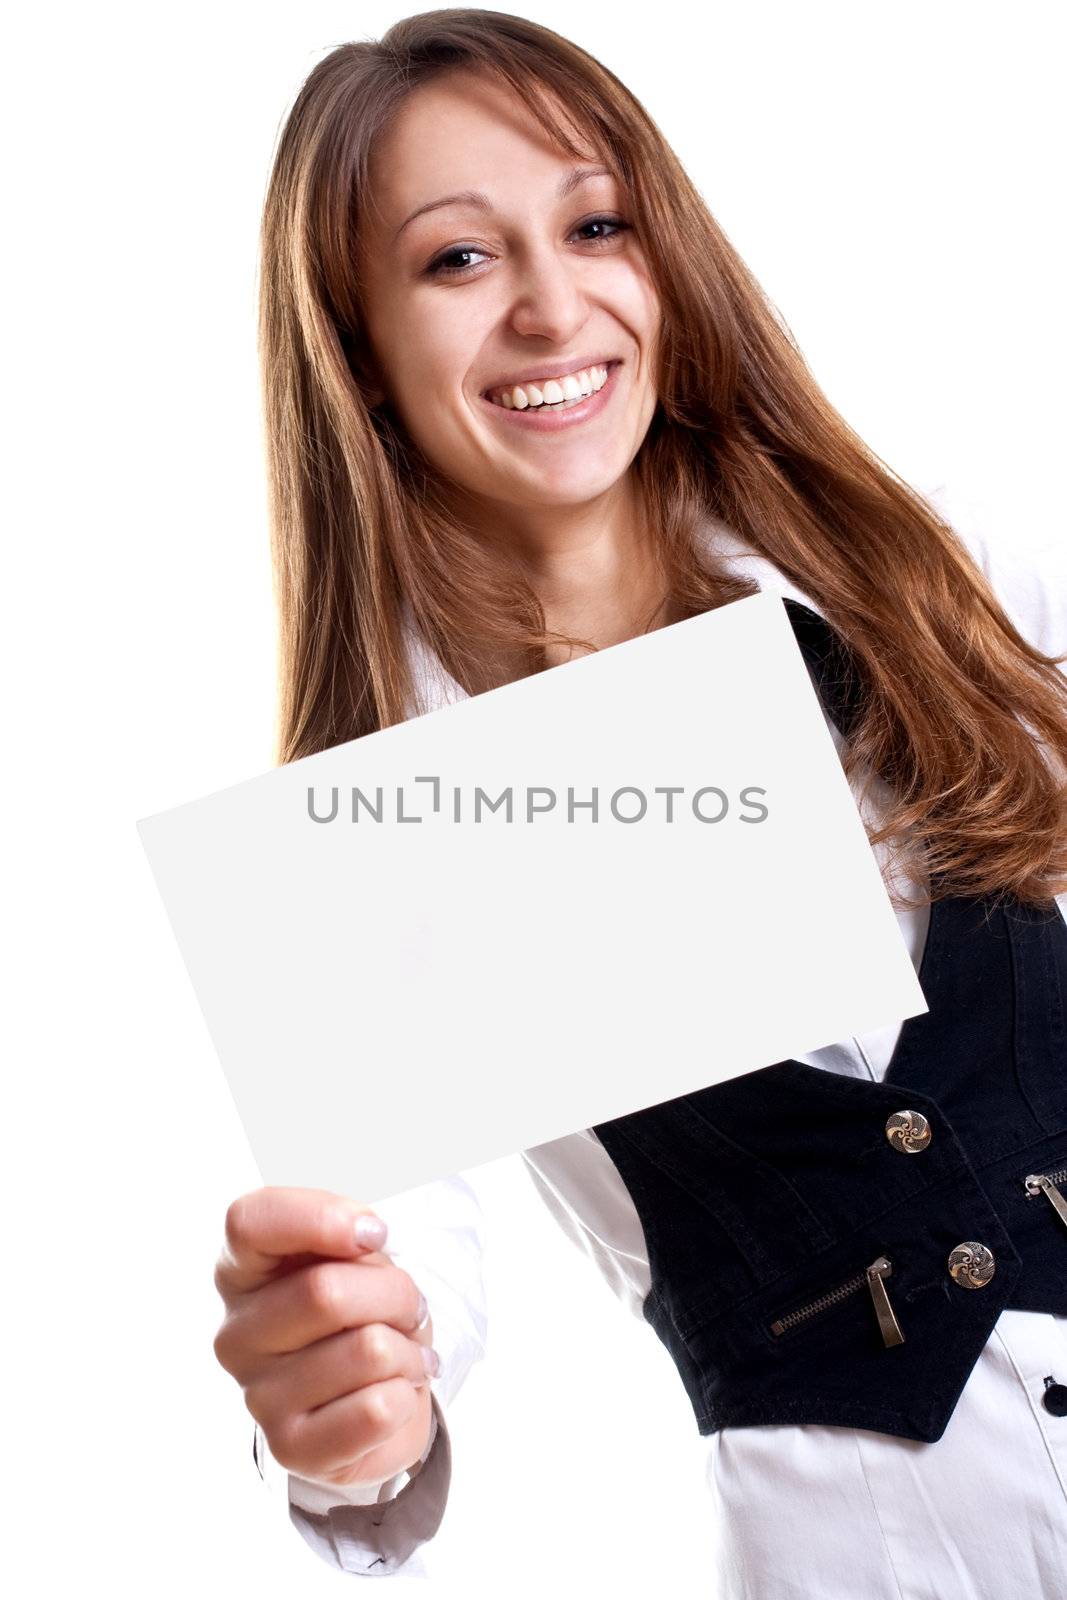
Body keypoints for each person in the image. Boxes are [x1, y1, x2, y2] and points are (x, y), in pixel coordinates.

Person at [210, 11, 1067, 1593]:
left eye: (597, 226)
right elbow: (394, 1304)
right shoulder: (381, 833)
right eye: (458, 261)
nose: (553, 308)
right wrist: (343, 1408)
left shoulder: (944, 573)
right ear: (359, 346)